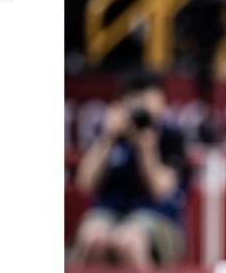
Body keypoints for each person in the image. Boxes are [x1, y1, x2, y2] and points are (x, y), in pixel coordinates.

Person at [70, 72, 191, 268]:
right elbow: (84, 183)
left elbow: (159, 189)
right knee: (94, 238)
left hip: (158, 218)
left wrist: (146, 148)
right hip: (109, 213)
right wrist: (107, 138)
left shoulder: (171, 137)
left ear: (161, 102)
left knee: (129, 242)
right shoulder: (108, 135)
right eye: (134, 101)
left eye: (147, 100)